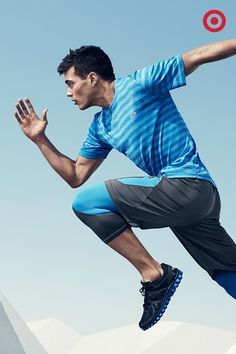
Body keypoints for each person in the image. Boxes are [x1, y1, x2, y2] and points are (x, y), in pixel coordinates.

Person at [14, 40, 236, 331]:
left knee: (87, 203)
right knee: (226, 271)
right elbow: (75, 175)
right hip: (193, 203)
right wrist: (40, 140)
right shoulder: (100, 127)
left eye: (70, 83)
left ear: (92, 77)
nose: (68, 93)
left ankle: (154, 275)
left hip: (186, 185)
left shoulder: (140, 83)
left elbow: (198, 55)